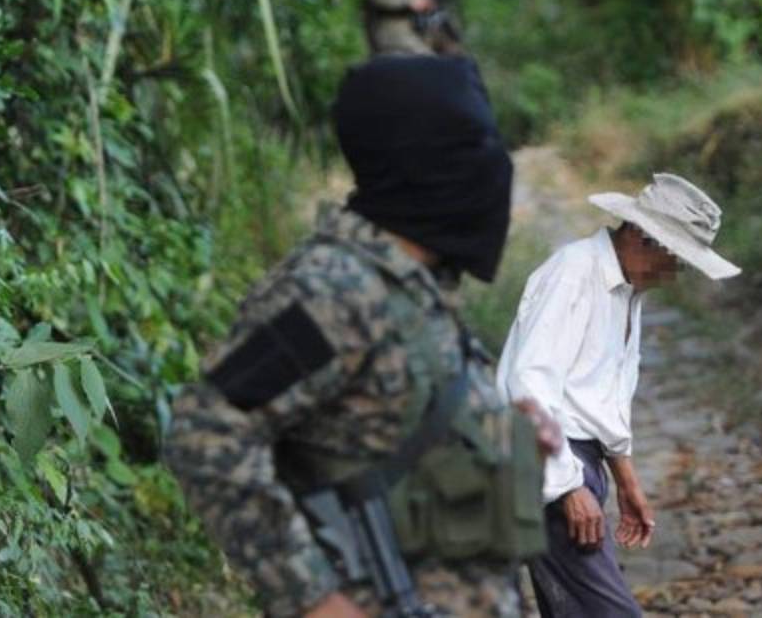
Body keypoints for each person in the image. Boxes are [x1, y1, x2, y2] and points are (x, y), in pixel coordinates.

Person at [164, 56, 558, 618]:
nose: (493, 167)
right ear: (419, 160)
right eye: (471, 145)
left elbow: (380, 429)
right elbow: (207, 430)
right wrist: (314, 599)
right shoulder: (334, 289)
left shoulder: (412, 286)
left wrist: (501, 434)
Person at [497, 174, 742, 617]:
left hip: (576, 460)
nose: (671, 275)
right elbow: (528, 383)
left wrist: (626, 480)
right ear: (642, 237)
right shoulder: (574, 273)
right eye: (675, 260)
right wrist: (566, 486)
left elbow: (603, 399)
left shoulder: (627, 291)